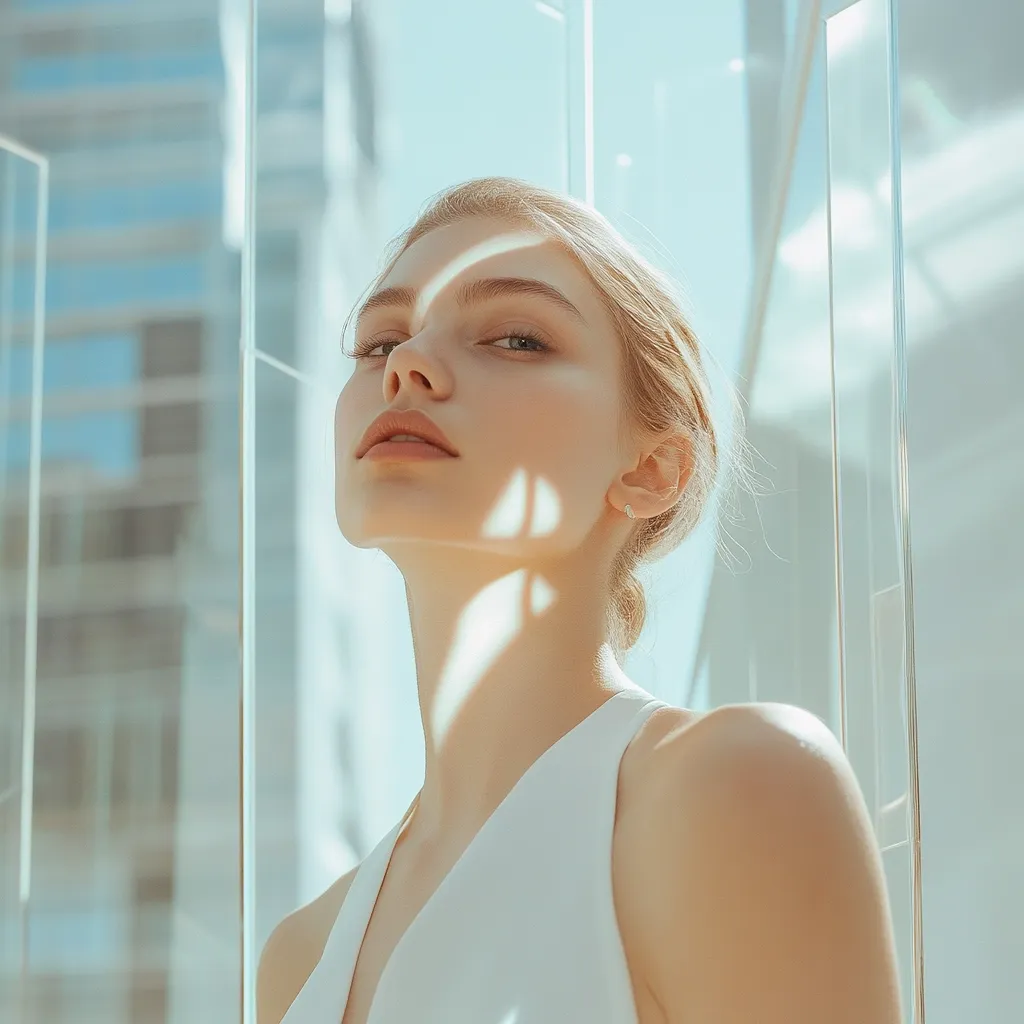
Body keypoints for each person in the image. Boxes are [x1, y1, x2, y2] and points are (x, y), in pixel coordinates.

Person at [257, 178, 903, 1024]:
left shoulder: (735, 789)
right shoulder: (299, 958)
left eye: (516, 338)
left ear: (652, 469)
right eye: (380, 342)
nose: (407, 365)